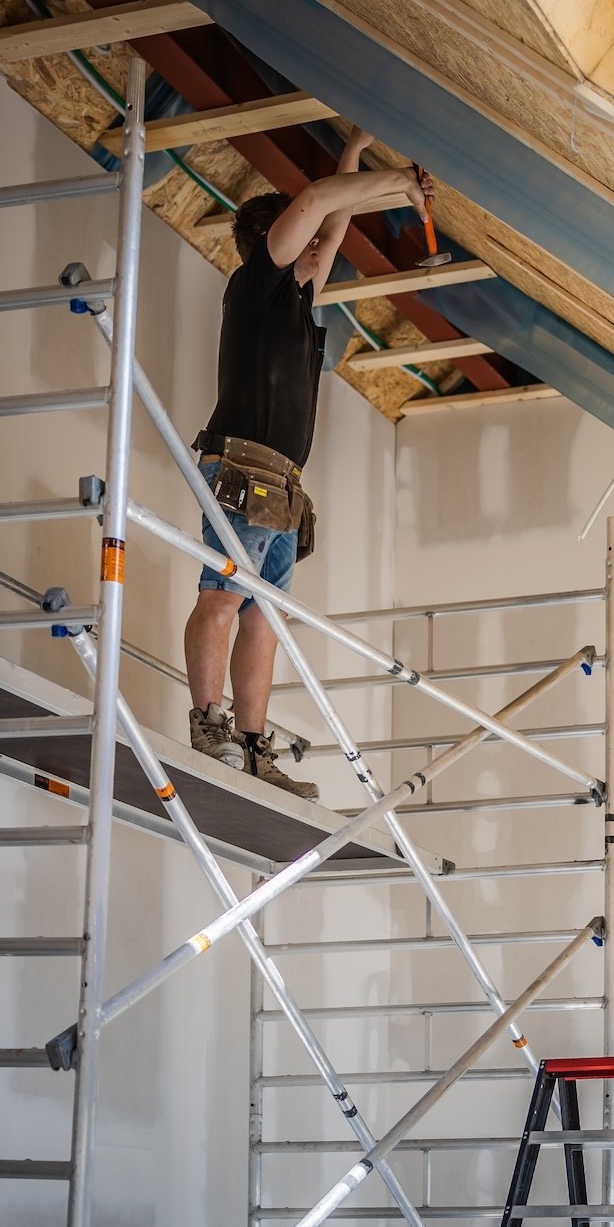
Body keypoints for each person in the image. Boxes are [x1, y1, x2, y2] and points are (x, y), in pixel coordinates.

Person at [184, 126, 432, 801]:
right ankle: (210, 724)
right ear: (281, 238)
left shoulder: (295, 299)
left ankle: (253, 745)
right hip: (242, 467)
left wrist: (355, 154)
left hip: (282, 486)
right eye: (310, 237)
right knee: (225, 593)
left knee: (265, 613)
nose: (322, 248)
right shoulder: (258, 282)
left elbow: (334, 216)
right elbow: (320, 200)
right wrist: (399, 182)